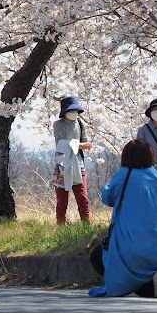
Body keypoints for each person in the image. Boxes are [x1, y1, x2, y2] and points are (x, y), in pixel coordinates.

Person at [89, 139, 157, 298]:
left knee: (97, 255)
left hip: (129, 251)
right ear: (151, 157)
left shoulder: (123, 176)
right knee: (152, 267)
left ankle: (142, 285)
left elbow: (107, 198)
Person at [51, 96, 92, 224]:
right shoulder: (58, 124)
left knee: (82, 198)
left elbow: (87, 144)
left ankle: (86, 225)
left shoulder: (80, 124)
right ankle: (61, 225)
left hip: (79, 165)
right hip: (63, 165)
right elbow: (60, 143)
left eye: (76, 110)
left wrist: (77, 145)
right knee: (62, 201)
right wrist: (78, 145)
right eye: (72, 110)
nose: (75, 113)